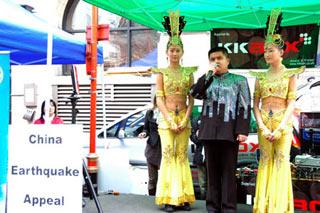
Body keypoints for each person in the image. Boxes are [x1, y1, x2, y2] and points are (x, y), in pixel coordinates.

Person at [250, 9, 304, 213]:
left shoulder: (291, 74)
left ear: (282, 52)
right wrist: (262, 126)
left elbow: (291, 102)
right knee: (265, 161)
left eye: (271, 50)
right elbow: (255, 104)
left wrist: (281, 126)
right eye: (265, 50)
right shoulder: (260, 76)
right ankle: (263, 206)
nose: (267, 53)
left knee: (281, 161)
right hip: (264, 121)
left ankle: (279, 207)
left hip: (283, 122)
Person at [190, 46, 251, 213]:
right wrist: (207, 74)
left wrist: (242, 130)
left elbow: (245, 106)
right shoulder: (207, 80)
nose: (216, 61)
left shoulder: (239, 80)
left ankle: (229, 208)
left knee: (228, 173)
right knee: (212, 173)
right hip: (209, 132)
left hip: (229, 132)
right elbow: (195, 94)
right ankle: (213, 207)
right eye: (212, 59)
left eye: (219, 58)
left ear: (227, 60)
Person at [152, 11, 196, 212]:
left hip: (184, 119)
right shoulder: (161, 73)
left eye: (178, 50)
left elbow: (191, 98)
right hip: (166, 119)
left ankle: (184, 197)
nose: (175, 53)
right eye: (172, 50)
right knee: (168, 156)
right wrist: (169, 120)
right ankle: (169, 198)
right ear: (167, 52)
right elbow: (159, 98)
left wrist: (186, 118)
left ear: (182, 52)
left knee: (182, 156)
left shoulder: (189, 73)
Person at [138, 97, 161, 196]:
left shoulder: (169, 113)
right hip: (152, 146)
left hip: (165, 146)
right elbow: (146, 129)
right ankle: (151, 197)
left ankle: (164, 198)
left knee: (165, 177)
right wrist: (144, 133)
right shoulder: (150, 113)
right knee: (152, 177)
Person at [190, 114, 207, 200]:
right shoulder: (196, 120)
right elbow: (192, 138)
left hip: (212, 154)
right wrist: (197, 135)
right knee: (202, 182)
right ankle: (204, 199)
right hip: (200, 155)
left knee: (214, 181)